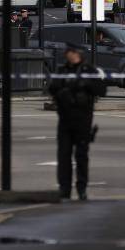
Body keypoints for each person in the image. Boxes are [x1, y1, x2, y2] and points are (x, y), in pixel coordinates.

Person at [48, 42, 105, 200]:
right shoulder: (62, 71)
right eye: (68, 52)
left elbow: (101, 90)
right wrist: (63, 92)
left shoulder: (89, 71)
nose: (69, 55)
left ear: (78, 53)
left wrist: (85, 83)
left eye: (72, 52)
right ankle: (64, 189)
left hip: (83, 119)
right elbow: (52, 88)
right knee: (63, 156)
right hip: (65, 120)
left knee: (81, 156)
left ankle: (81, 188)